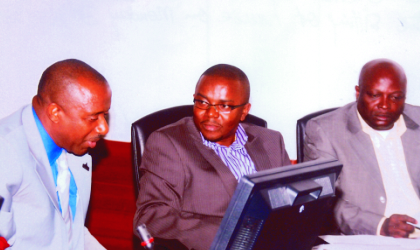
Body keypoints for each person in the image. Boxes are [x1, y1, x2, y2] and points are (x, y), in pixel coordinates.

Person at [134, 64, 290, 250]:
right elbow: (151, 216)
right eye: (202, 102)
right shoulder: (169, 144)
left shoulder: (271, 141)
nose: (210, 114)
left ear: (244, 111)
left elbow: (290, 203)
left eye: (224, 106)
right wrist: (233, 237)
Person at [0, 59, 112, 249]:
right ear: (55, 113)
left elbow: (72, 233)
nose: (104, 128)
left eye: (105, 115)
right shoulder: (6, 152)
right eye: (93, 118)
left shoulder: (76, 147)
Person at [304, 59, 420, 238]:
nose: (384, 105)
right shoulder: (326, 131)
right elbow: (324, 200)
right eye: (374, 95)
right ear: (358, 92)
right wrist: (380, 225)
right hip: (370, 238)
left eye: (395, 97)